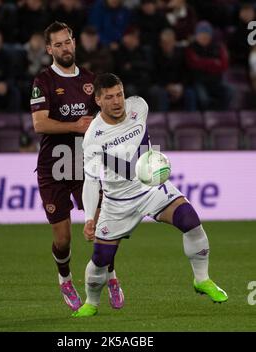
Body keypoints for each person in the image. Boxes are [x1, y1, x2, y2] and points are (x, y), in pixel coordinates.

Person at [73, 73, 228, 317]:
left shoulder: (139, 106)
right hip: (117, 202)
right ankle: (91, 303)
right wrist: (89, 219)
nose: (117, 102)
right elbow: (91, 180)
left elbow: (142, 144)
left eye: (120, 95)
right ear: (98, 100)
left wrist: (152, 164)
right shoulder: (93, 136)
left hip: (150, 189)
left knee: (190, 220)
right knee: (102, 258)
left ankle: (202, 279)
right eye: (110, 97)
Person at [30, 22, 123, 312]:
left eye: (67, 42)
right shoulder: (42, 81)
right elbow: (39, 123)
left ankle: (111, 276)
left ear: (74, 43)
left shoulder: (91, 80)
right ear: (49, 49)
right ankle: (65, 279)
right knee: (64, 238)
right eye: (58, 44)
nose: (65, 48)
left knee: (103, 225)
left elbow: (107, 115)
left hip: (86, 165)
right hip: (54, 168)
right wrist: (76, 125)